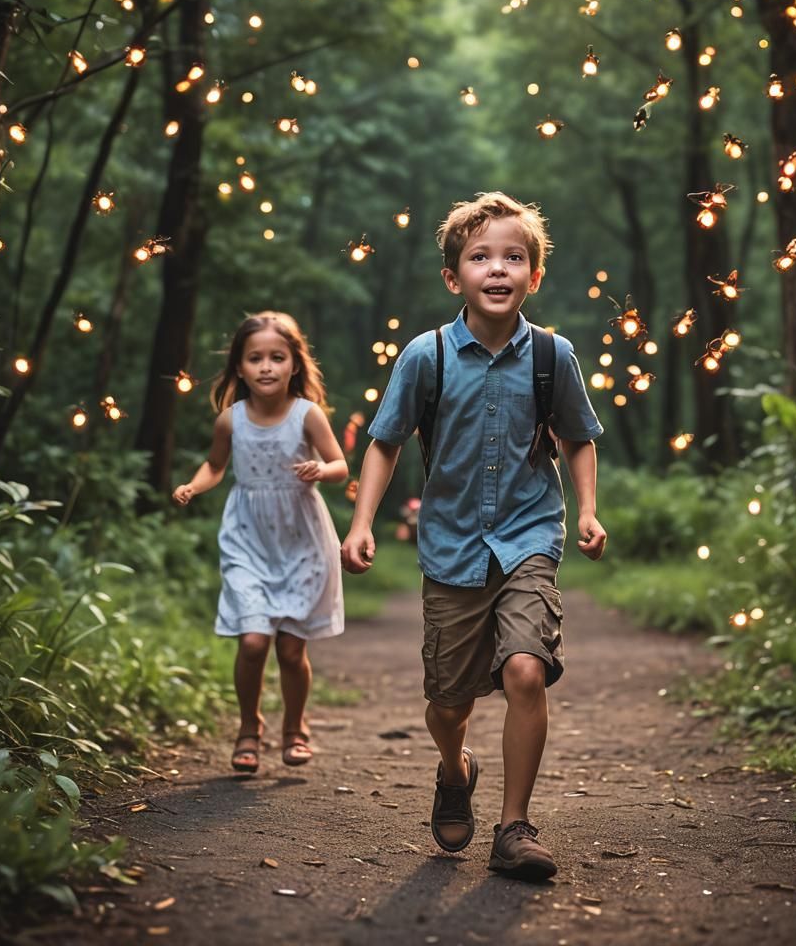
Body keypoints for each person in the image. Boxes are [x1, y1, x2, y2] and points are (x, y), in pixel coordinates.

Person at [341, 192, 606, 881]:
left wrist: (584, 511)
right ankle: (455, 767)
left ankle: (514, 826)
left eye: (513, 257)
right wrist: (362, 521)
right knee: (448, 702)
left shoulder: (553, 355)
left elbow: (577, 439)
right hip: (452, 545)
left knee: (526, 669)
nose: (497, 268)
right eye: (479, 257)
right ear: (453, 276)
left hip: (528, 535)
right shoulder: (425, 356)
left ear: (534, 275)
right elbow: (384, 442)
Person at [173, 311, 347, 774]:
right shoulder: (231, 421)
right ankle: (248, 727)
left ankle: (295, 728)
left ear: (295, 364)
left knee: (291, 649)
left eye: (277, 357)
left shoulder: (307, 415)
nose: (266, 367)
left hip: (302, 538)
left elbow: (340, 465)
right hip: (248, 538)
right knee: (252, 642)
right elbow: (214, 466)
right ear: (239, 367)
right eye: (255, 358)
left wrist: (321, 470)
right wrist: (194, 485)